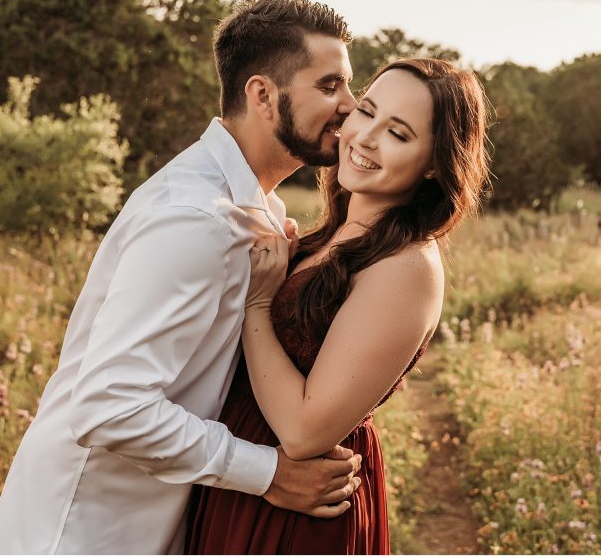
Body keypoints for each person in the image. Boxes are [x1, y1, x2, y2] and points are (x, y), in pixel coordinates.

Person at [0, 0, 367, 554]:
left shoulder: (262, 212)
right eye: (330, 86)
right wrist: (268, 473)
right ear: (262, 94)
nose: (351, 106)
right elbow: (110, 405)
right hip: (87, 532)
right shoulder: (194, 217)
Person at [186, 58, 491, 554]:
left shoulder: (407, 266)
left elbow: (306, 433)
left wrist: (258, 304)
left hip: (302, 507)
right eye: (366, 111)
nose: (365, 137)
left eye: (397, 133)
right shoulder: (339, 230)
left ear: (436, 163)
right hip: (251, 476)